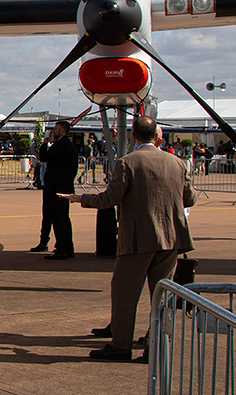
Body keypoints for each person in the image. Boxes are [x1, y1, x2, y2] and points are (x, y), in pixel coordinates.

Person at [61, 116, 195, 361]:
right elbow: (190, 198)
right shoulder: (178, 163)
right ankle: (156, 347)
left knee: (125, 292)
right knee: (162, 295)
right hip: (171, 238)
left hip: (137, 239)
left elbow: (110, 199)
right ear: (157, 136)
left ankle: (121, 344)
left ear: (133, 136)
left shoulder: (127, 163)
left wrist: (81, 198)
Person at [35, 121, 79, 259]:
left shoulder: (59, 146)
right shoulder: (72, 147)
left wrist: (45, 145)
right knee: (64, 218)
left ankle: (61, 248)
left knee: (57, 218)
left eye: (56, 129)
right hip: (65, 186)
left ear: (63, 131)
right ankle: (68, 247)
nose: (53, 131)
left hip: (55, 188)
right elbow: (74, 169)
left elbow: (44, 158)